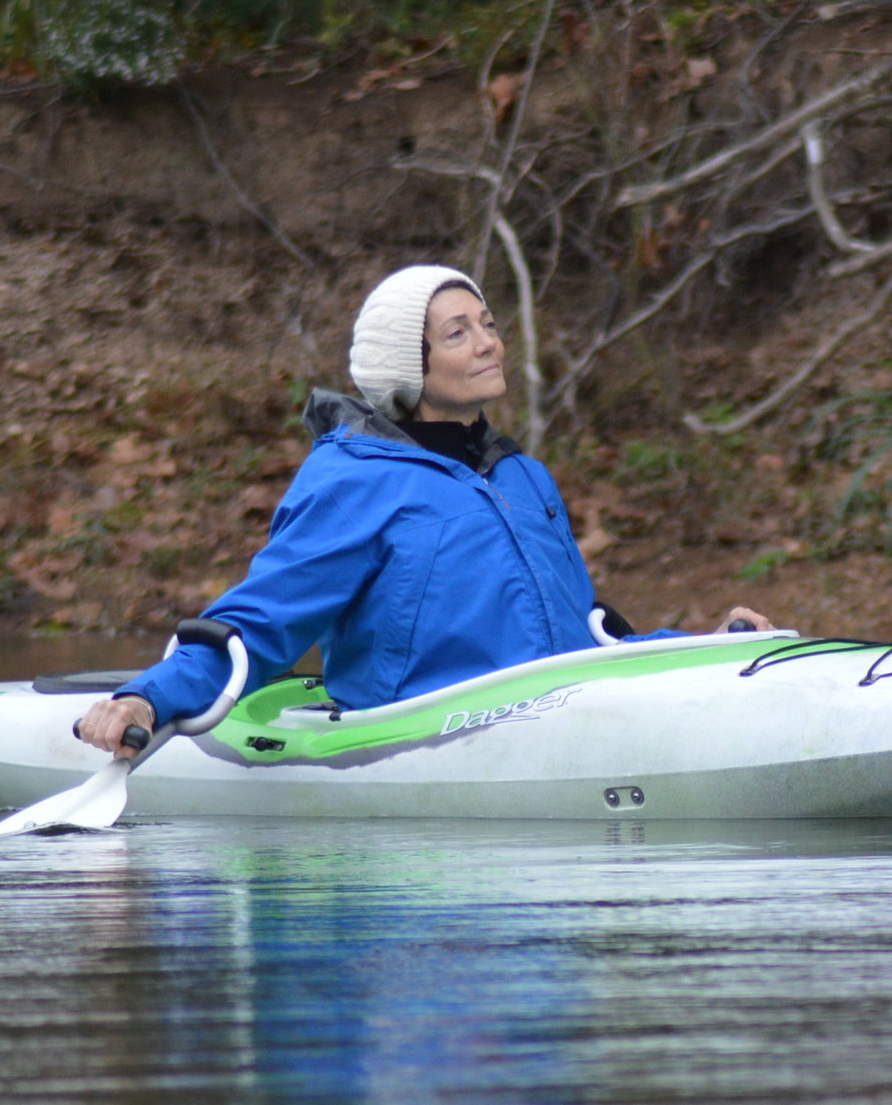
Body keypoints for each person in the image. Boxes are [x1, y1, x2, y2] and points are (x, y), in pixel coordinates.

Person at [77, 264, 770, 755]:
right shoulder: (351, 482)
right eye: (459, 333)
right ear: (410, 365)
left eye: (489, 324)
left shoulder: (523, 477)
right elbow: (257, 628)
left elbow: (579, 643)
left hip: (557, 723)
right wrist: (147, 699)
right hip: (416, 737)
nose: (490, 341)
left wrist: (700, 645)